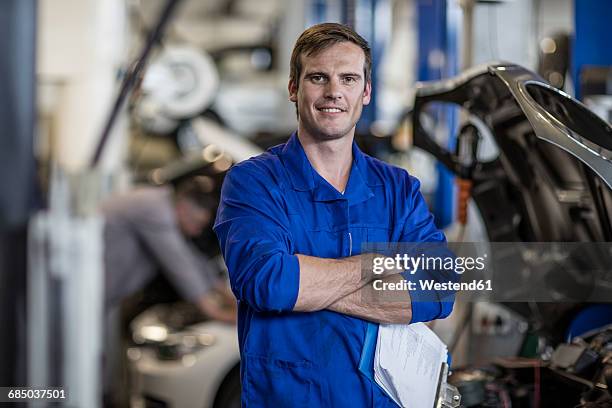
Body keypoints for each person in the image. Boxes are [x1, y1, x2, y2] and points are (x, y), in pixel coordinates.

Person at [214, 23, 455, 407]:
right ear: (294, 88)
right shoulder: (253, 182)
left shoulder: (398, 188)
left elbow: (438, 289)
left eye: (348, 78)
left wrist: (308, 286)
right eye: (318, 77)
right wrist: (376, 265)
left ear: (366, 91)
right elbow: (268, 282)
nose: (333, 92)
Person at [102, 177, 236, 323]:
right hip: (86, 289)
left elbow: (190, 256)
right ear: (183, 208)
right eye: (198, 224)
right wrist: (217, 313)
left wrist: (228, 297)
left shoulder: (162, 205)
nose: (197, 232)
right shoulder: (155, 210)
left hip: (100, 292)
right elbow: (180, 265)